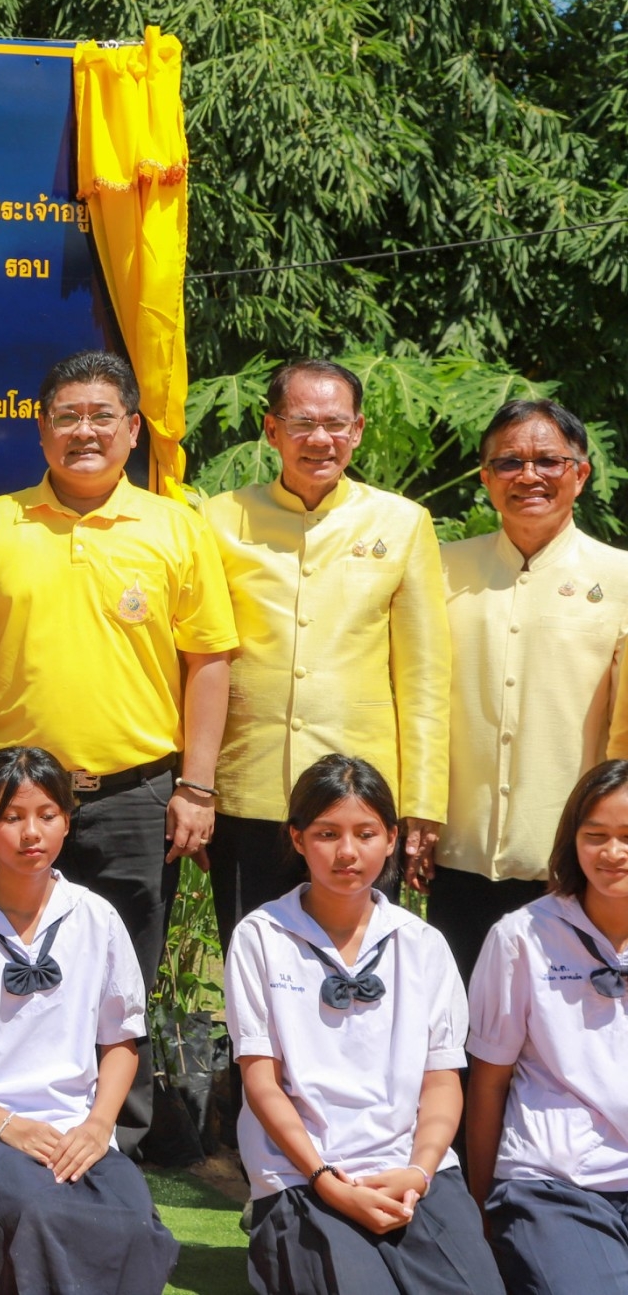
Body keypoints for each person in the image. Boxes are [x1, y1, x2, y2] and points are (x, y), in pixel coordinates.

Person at [0, 348, 236, 1153]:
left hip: (137, 796)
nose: (84, 432)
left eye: (101, 416)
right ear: (41, 429)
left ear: (132, 428)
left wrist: (198, 785)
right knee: (10, 970)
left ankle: (116, 1146)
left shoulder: (175, 526)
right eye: (67, 417)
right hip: (16, 802)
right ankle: (2, 1132)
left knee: (122, 980)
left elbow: (208, 661)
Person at [0, 746, 177, 1294]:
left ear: (68, 820)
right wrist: (3, 1123)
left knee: (136, 1226)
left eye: (46, 815)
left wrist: (96, 1127)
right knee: (38, 1213)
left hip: (71, 1126)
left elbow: (120, 1041)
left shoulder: (96, 918)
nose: (30, 834)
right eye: (11, 817)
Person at [225, 754, 501, 1295]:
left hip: (413, 1174)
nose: (347, 852)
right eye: (327, 833)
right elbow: (260, 1080)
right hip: (304, 1173)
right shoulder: (261, 937)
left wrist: (419, 1172)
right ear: (298, 839)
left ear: (392, 838)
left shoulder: (422, 944)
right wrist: (327, 1181)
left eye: (365, 832)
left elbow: (442, 1081)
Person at [203, 357, 450, 940]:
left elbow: (425, 678)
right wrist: (197, 783)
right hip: (248, 787)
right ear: (271, 430)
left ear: (358, 430)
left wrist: (422, 800)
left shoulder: (404, 522)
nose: (321, 439)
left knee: (358, 957)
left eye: (337, 425)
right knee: (250, 955)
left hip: (359, 799)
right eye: (302, 423)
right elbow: (197, 658)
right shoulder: (216, 520)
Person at [435, 398, 628, 981]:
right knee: (459, 1035)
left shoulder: (620, 577)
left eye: (548, 461)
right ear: (485, 477)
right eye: (509, 462)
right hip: (456, 850)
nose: (529, 476)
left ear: (581, 473)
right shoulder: (439, 569)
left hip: (570, 859)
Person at [465, 760, 628, 1294]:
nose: (612, 853)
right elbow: (488, 1081)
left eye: (627, 837)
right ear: (572, 841)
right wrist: (480, 1206)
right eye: (596, 836)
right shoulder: (521, 937)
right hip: (555, 1186)